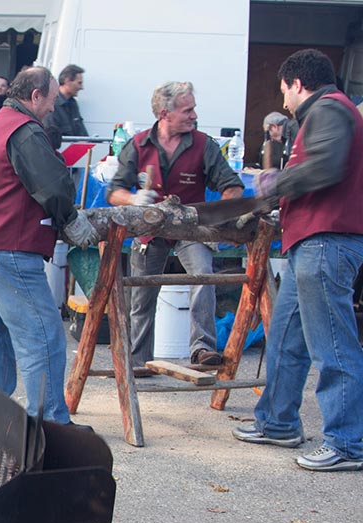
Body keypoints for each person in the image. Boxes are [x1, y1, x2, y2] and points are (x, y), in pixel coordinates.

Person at [233, 49, 363, 472]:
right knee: (287, 337)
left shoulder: (327, 110)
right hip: (311, 239)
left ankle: (348, 442)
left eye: (283, 89)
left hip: (326, 240)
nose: (283, 100)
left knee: (333, 347)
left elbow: (326, 166)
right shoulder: (328, 112)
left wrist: (274, 184)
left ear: (296, 83)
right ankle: (277, 422)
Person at [0, 66, 99, 421]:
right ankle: (50, 422)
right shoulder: (25, 130)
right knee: (43, 335)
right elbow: (52, 186)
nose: (54, 108)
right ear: (35, 95)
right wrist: (70, 219)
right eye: (51, 100)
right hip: (10, 245)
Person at [107, 81, 243, 367]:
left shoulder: (205, 145)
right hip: (150, 230)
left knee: (204, 276)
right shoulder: (139, 144)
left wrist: (225, 214)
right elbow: (114, 191)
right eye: (188, 110)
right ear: (164, 113)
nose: (194, 116)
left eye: (193, 109)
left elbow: (232, 186)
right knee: (141, 297)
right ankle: (138, 363)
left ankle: (202, 349)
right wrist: (134, 200)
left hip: (191, 228)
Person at [42, 64, 88, 146]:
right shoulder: (52, 104)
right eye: (79, 83)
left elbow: (83, 134)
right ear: (67, 81)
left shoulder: (73, 104)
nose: (82, 87)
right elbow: (50, 137)